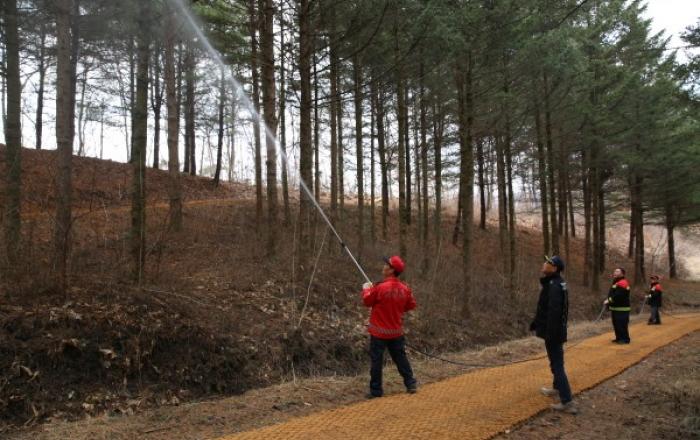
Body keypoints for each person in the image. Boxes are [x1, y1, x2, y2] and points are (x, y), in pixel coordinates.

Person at [361, 255, 417, 398]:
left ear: (391, 270)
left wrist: (366, 289)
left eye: (387, 264)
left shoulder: (380, 287)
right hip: (396, 332)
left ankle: (376, 391)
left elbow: (367, 301)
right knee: (400, 358)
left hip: (379, 333)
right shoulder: (405, 288)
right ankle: (410, 383)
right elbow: (411, 305)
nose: (384, 266)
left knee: (376, 361)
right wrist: (396, 308)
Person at [530, 255, 578, 414]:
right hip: (554, 331)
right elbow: (546, 308)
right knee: (556, 362)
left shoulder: (554, 286)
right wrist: (536, 322)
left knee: (557, 364)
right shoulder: (555, 283)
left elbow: (555, 312)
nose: (544, 264)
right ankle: (557, 388)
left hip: (553, 332)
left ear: (555, 268)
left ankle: (567, 401)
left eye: (548, 263)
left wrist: (550, 333)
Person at [604, 267, 631, 344]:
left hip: (622, 309)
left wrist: (609, 300)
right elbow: (612, 294)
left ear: (622, 274)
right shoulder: (616, 282)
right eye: (615, 271)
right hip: (615, 308)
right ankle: (619, 338)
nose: (615, 272)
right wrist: (609, 301)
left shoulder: (623, 283)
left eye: (617, 271)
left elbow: (618, 296)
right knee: (616, 324)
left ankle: (625, 339)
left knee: (621, 324)